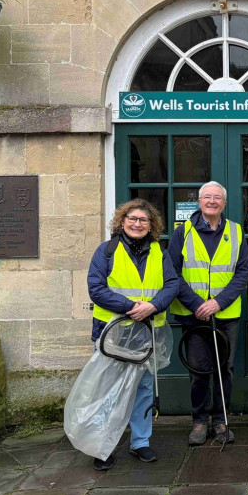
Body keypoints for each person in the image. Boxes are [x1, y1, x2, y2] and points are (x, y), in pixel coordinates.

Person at [87, 198, 179, 470]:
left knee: (144, 389)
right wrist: (130, 308)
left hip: (147, 333)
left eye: (143, 220)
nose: (138, 224)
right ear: (122, 221)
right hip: (112, 334)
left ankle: (140, 442)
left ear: (151, 225)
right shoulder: (105, 252)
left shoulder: (159, 252)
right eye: (133, 219)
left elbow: (172, 284)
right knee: (107, 391)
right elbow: (97, 289)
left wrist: (153, 306)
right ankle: (102, 447)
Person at [167, 181, 248, 447]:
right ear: (199, 202)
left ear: (224, 204)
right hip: (194, 316)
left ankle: (221, 419)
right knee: (199, 371)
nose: (212, 201)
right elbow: (172, 273)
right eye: (207, 197)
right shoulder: (183, 232)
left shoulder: (236, 232)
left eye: (218, 198)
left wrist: (218, 302)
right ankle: (199, 421)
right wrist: (197, 305)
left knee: (225, 368)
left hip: (225, 316)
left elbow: (243, 273)